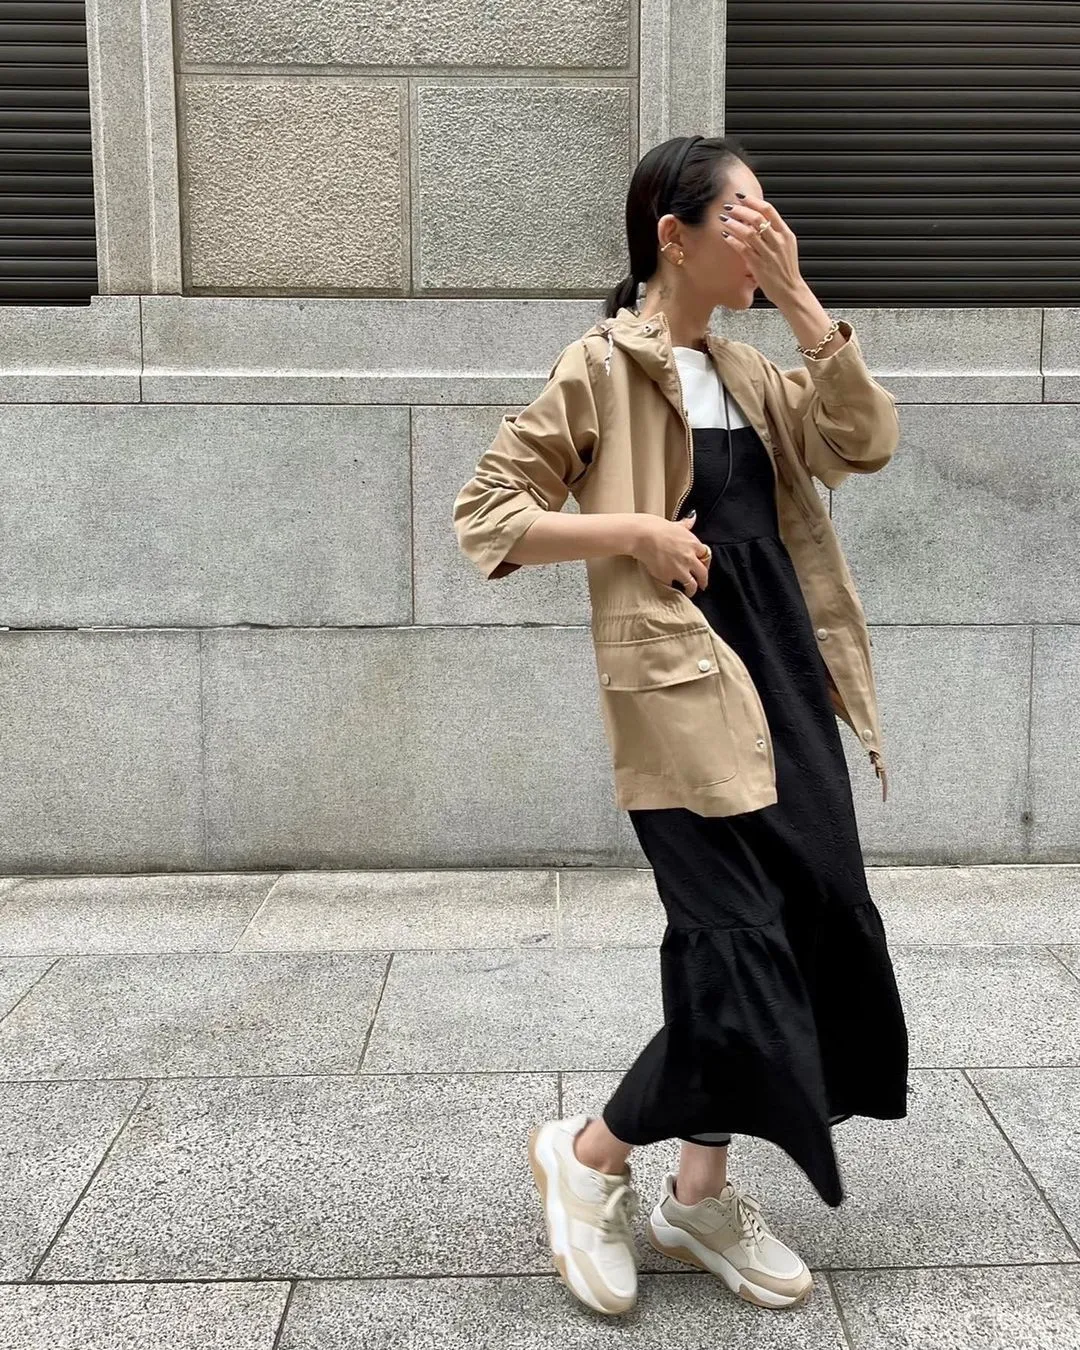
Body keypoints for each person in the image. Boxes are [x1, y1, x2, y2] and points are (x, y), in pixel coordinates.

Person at [453, 134, 909, 1318]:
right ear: (677, 235)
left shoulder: (753, 372)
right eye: (748, 218)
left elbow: (865, 443)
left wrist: (803, 302)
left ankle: (697, 1195)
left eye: (774, 217)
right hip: (679, 701)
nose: (770, 235)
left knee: (808, 935)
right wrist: (633, 534)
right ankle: (591, 1156)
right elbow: (488, 512)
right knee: (738, 953)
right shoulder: (600, 368)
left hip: (789, 691)